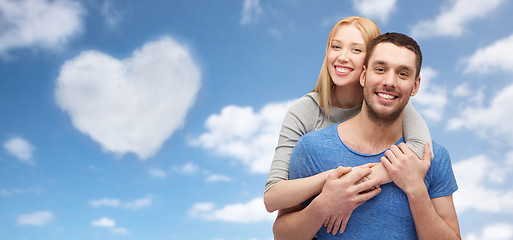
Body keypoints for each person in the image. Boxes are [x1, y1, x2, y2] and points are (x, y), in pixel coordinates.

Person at [273, 32, 460, 239]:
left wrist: (416, 190)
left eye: (403, 74)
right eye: (380, 69)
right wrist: (322, 206)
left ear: (415, 86)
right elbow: (282, 235)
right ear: (363, 76)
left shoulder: (432, 157)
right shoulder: (311, 149)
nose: (390, 82)